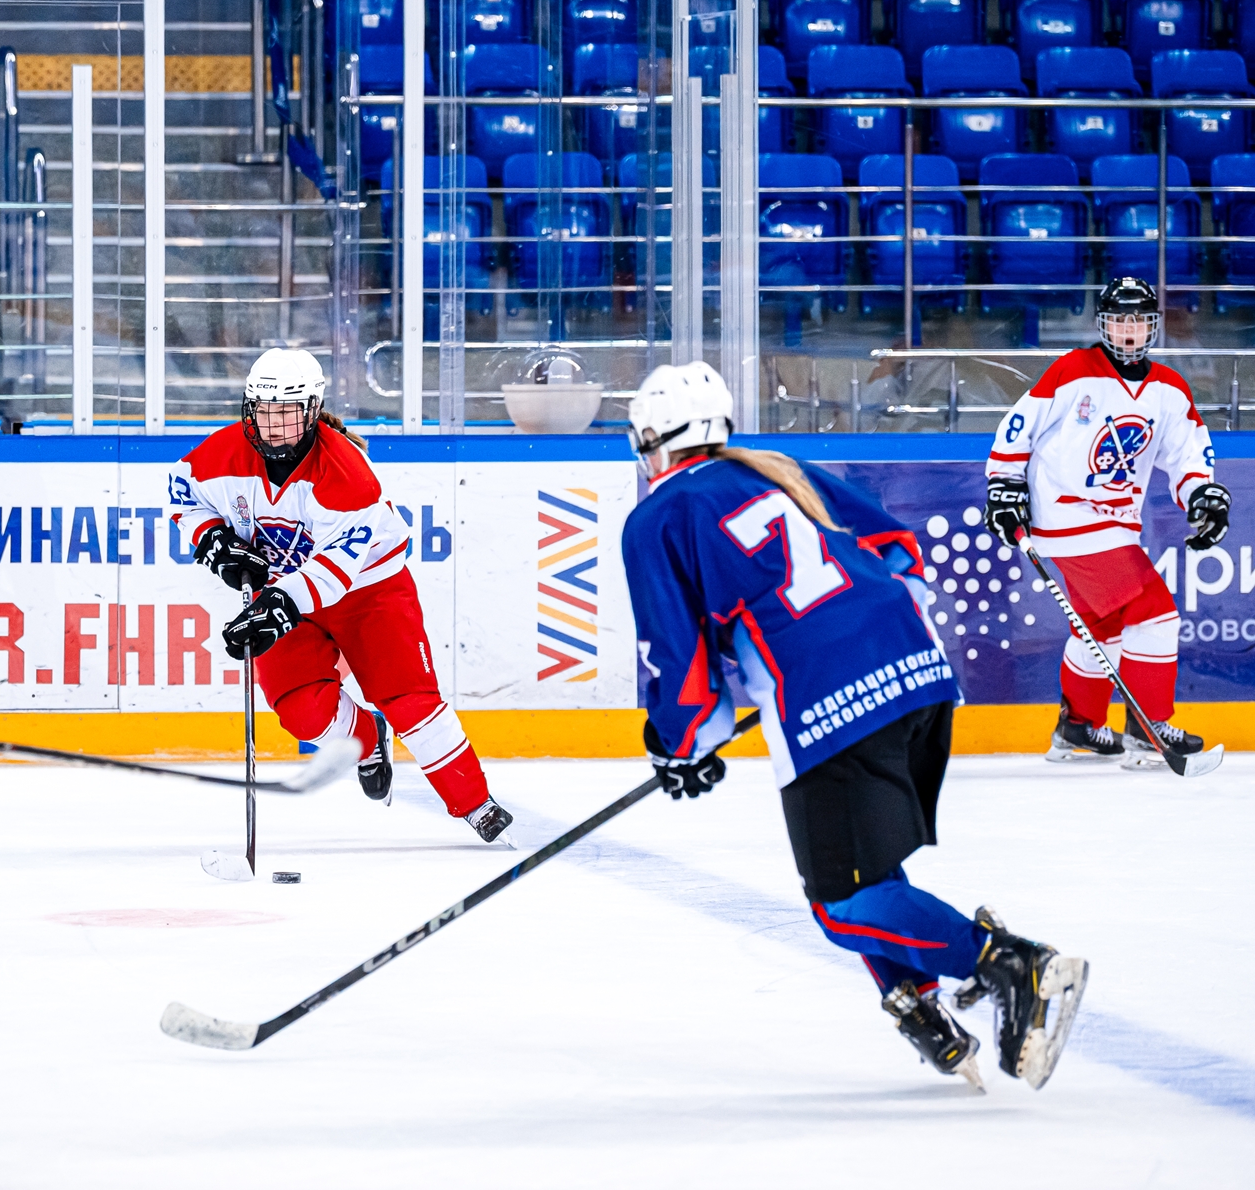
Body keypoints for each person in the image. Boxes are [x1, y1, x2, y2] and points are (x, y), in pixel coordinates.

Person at [622, 361, 1087, 1091]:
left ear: (656, 442)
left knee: (840, 904)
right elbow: (898, 552)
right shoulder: (780, 469)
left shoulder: (656, 516)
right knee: (867, 870)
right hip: (920, 678)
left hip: (831, 703)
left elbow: (675, 660)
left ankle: (1009, 965)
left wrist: (680, 744)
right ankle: (920, 1004)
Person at [169, 348, 514, 842]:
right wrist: (212, 540)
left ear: (311, 410)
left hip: (369, 589)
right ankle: (368, 739)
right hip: (284, 590)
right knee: (300, 710)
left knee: (409, 701)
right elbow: (183, 491)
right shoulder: (221, 454)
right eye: (264, 410)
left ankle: (474, 802)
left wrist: (280, 606)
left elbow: (337, 569)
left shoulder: (347, 472)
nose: (275, 424)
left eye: (288, 411)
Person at [984, 276, 1226, 767]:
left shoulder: (1169, 389)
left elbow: (1188, 456)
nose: (1129, 331)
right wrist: (1003, 484)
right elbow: (1017, 428)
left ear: (1153, 326)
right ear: (1103, 324)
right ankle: (1149, 728)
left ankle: (1078, 726)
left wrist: (1201, 495)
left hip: (1116, 524)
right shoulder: (1073, 371)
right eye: (1120, 320)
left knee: (1104, 628)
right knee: (1155, 615)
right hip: (1066, 514)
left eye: (1139, 320)